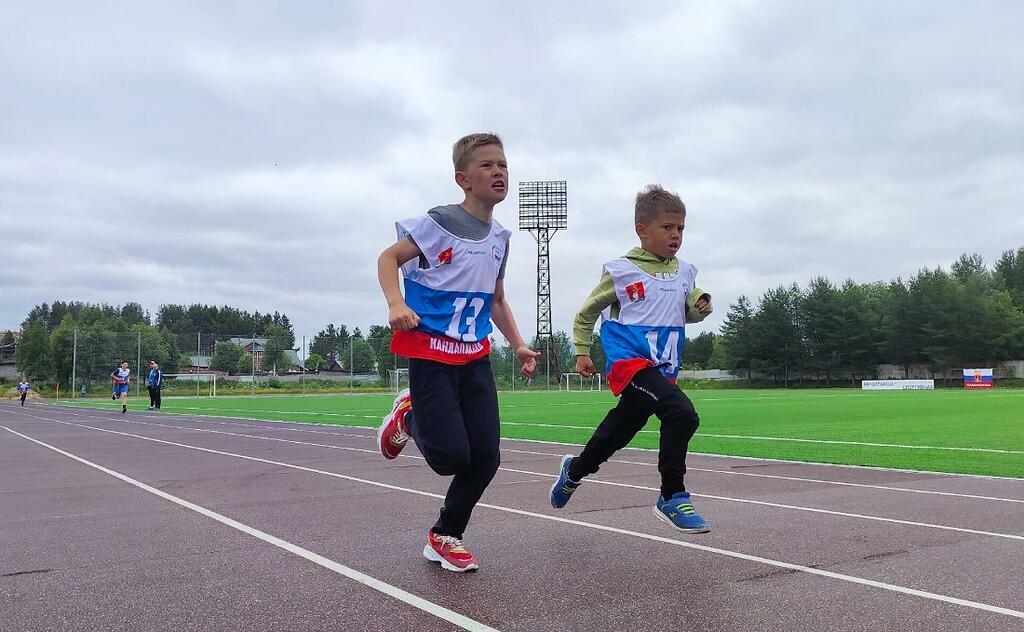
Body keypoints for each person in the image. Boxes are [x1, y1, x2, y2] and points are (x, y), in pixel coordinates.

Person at [375, 132, 539, 572]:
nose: (499, 172)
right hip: (430, 352)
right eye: (487, 165)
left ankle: (445, 534)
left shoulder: (500, 238)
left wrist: (518, 344)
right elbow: (388, 258)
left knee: (486, 457)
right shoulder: (440, 222)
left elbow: (496, 300)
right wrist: (395, 303)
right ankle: (408, 416)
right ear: (463, 179)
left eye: (503, 165)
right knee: (450, 458)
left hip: (474, 356)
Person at [549, 184, 714, 533]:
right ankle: (672, 495)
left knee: (618, 432)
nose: (676, 235)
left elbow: (685, 311)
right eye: (667, 227)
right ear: (642, 230)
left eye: (680, 228)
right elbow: (586, 313)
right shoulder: (621, 272)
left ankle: (574, 471)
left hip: (663, 368)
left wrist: (700, 306)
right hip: (631, 363)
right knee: (682, 413)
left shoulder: (685, 272)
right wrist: (581, 351)